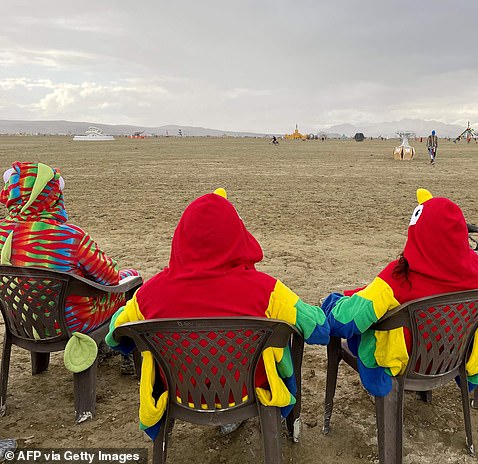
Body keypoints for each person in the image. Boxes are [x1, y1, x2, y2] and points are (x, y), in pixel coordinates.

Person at [106, 188, 329, 438]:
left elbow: (115, 334)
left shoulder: (150, 294)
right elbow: (318, 329)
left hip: (182, 393)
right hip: (246, 392)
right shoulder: (266, 290)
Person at [321, 189, 478, 397]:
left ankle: (378, 380)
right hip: (451, 357)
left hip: (403, 363)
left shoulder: (397, 277)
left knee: (337, 303)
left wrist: (331, 307)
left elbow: (347, 321)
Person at [0, 162, 140, 372]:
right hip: (72, 324)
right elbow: (110, 279)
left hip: (22, 321)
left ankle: (42, 365)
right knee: (131, 279)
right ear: (53, 196)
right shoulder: (69, 237)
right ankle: (124, 351)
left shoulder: (3, 233)